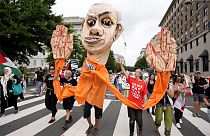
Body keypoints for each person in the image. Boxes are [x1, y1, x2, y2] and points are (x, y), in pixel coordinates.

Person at [121, 65, 148, 136]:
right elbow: (125, 73)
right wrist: (121, 65)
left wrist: (144, 103)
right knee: (132, 120)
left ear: (139, 74)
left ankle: (140, 128)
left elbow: (145, 95)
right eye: (135, 72)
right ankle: (131, 133)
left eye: (136, 72)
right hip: (131, 104)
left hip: (139, 105)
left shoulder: (143, 83)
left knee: (139, 120)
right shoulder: (131, 79)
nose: (135, 73)